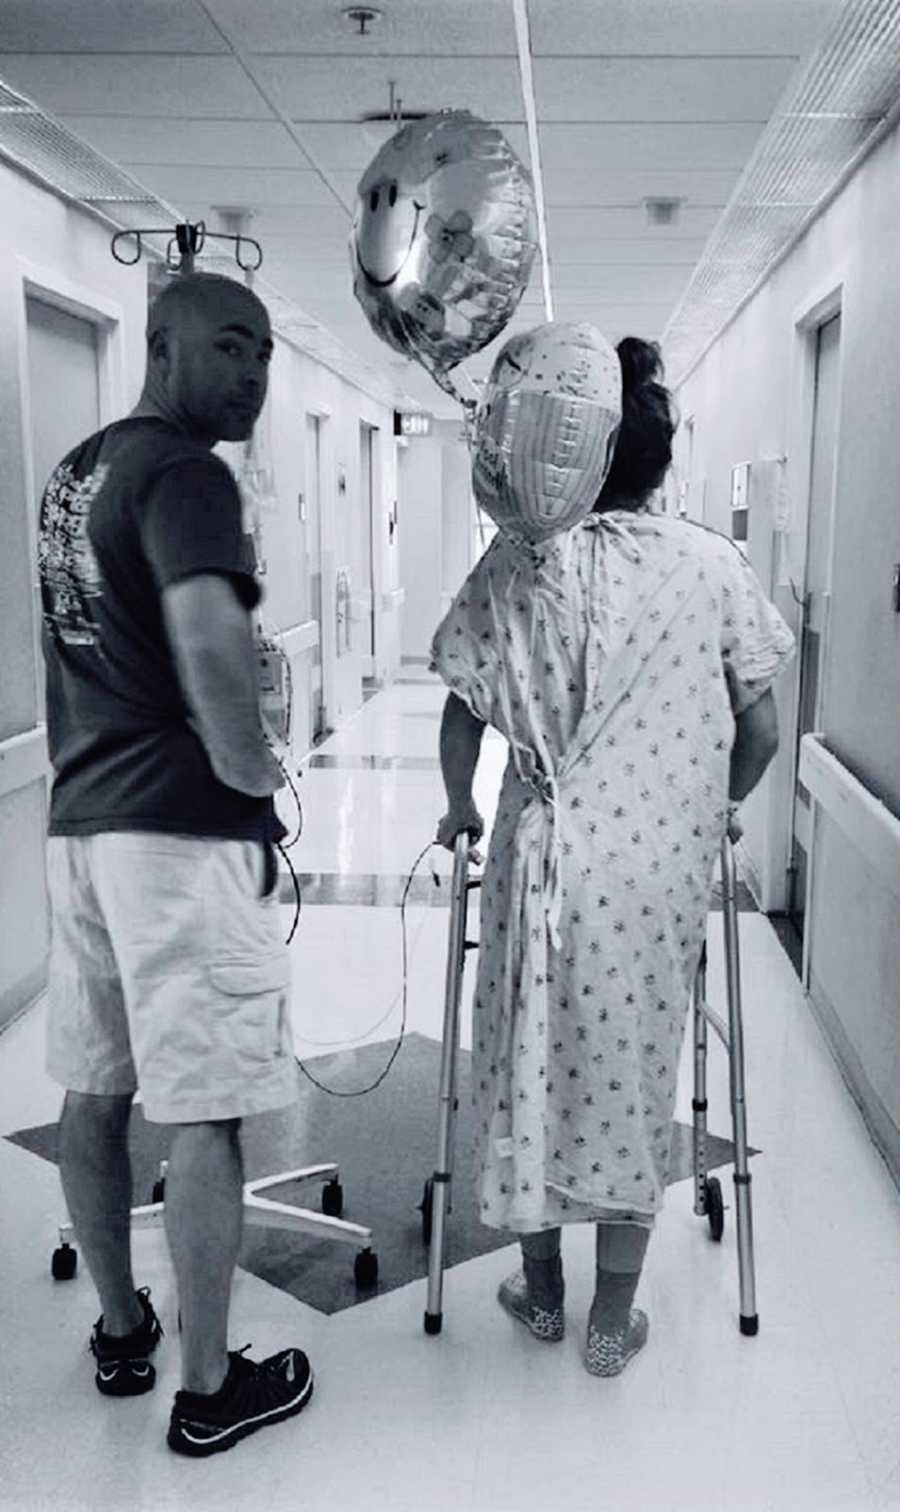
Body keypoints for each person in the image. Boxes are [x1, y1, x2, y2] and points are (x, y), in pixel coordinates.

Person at [432, 336, 794, 1376]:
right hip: (653, 874)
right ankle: (610, 1322)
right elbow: (760, 728)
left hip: (536, 857)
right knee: (631, 1072)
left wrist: (460, 805)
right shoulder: (714, 565)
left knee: (523, 1065)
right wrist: (717, 806)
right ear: (659, 460)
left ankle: (540, 1296)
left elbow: (463, 710)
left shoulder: (519, 559)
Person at [38, 271, 313, 1455]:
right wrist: (256, 781)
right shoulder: (190, 475)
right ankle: (208, 1390)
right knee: (206, 1114)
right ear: (163, 348)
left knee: (94, 1090)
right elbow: (210, 648)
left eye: (264, 351)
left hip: (82, 825)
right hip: (179, 834)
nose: (254, 371)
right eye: (230, 347)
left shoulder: (77, 471)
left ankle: (119, 1328)